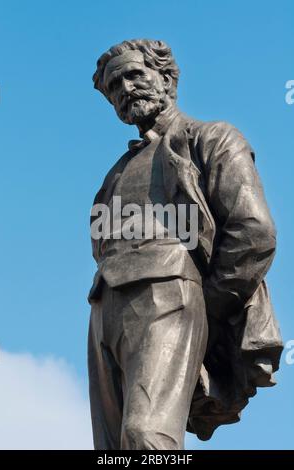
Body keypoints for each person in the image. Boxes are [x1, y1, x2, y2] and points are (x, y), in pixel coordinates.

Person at [87, 39, 283, 450]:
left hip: (172, 296)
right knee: (111, 448)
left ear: (167, 78)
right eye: (114, 85)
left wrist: (205, 306)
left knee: (146, 436)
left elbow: (253, 233)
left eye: (135, 75)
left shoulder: (212, 139)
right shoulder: (114, 174)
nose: (125, 89)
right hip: (104, 310)